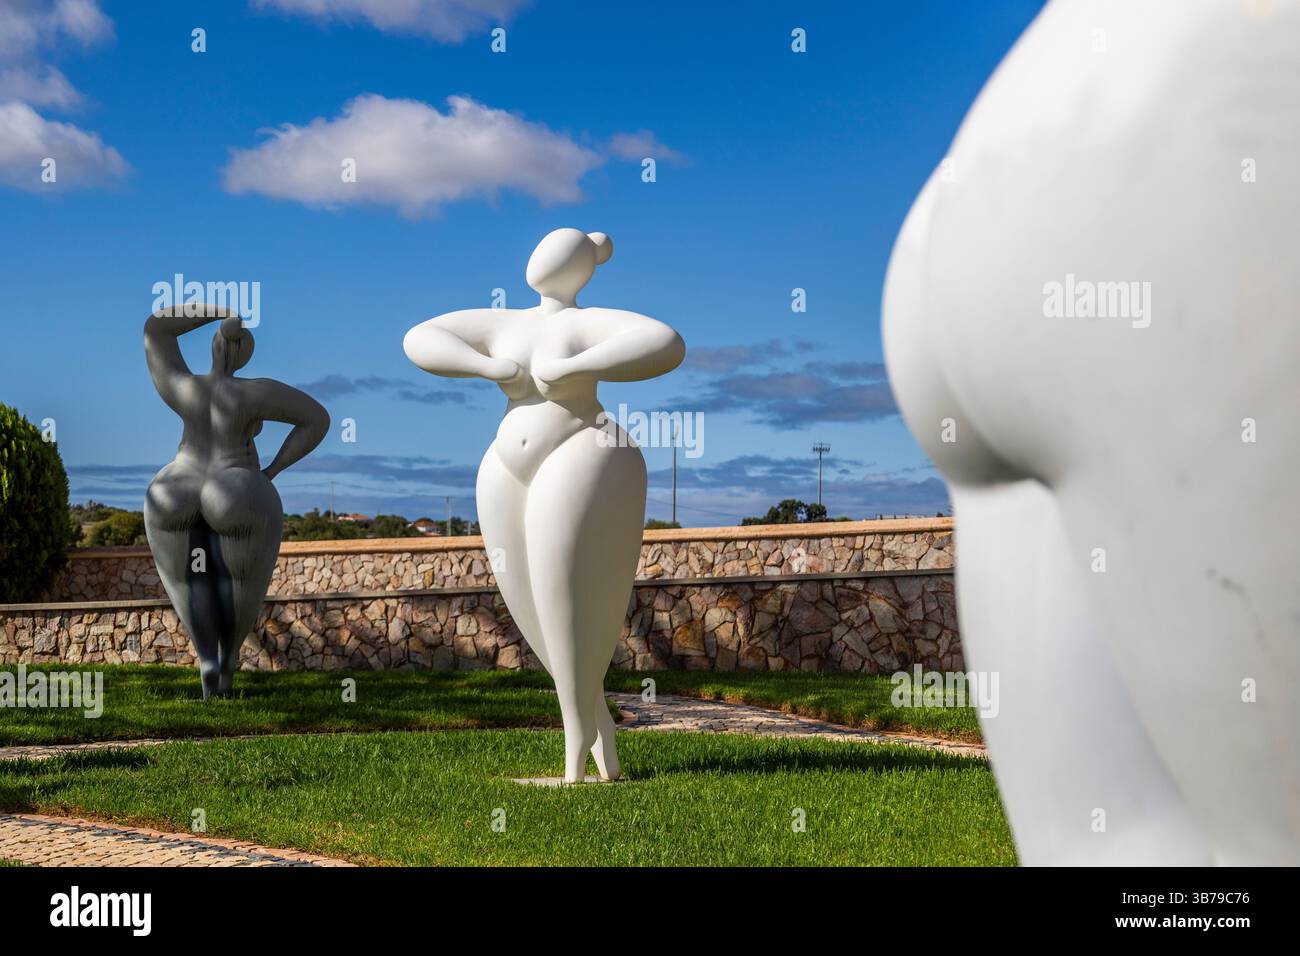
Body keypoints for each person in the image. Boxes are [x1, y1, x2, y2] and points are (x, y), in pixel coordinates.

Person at [404, 229, 685, 781]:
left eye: (560, 249)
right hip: (505, 464)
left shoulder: (584, 321)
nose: (542, 257)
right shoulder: (507, 322)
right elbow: (421, 338)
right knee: (529, 597)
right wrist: (486, 368)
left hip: (584, 449)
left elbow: (664, 342)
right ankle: (592, 721)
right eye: (539, 247)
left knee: (566, 592)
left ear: (584, 264)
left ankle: (577, 745)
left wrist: (578, 366)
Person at [144, 305, 329, 699]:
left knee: (188, 580)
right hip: (236, 484)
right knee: (240, 583)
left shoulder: (185, 386)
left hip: (175, 485)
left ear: (213, 349)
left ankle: (205, 659)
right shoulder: (254, 391)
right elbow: (317, 419)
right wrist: (273, 470)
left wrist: (217, 311)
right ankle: (227, 661)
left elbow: (156, 331)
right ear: (244, 354)